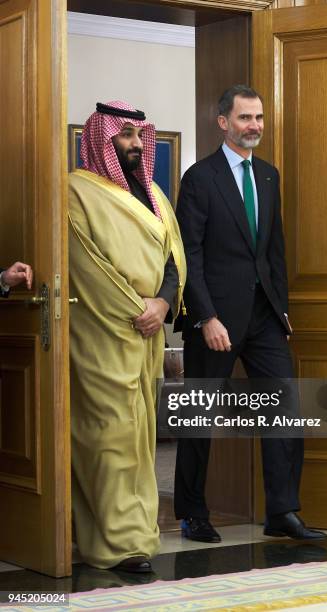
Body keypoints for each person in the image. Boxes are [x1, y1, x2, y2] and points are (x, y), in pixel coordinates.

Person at [174, 85, 325, 543]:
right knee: (200, 418)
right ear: (223, 122)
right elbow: (189, 256)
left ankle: (282, 512)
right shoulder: (200, 178)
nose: (254, 126)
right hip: (215, 319)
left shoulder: (270, 176)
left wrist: (280, 307)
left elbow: (273, 251)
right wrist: (206, 317)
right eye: (245, 118)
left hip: (263, 318)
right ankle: (192, 513)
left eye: (258, 118)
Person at [68, 101, 186, 572]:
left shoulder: (154, 194)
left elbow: (175, 257)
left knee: (141, 438)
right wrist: (136, 309)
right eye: (127, 136)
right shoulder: (77, 191)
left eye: (141, 136)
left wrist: (161, 304)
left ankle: (138, 536)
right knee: (108, 435)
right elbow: (85, 265)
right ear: (103, 139)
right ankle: (113, 544)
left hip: (148, 332)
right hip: (102, 331)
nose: (139, 144)